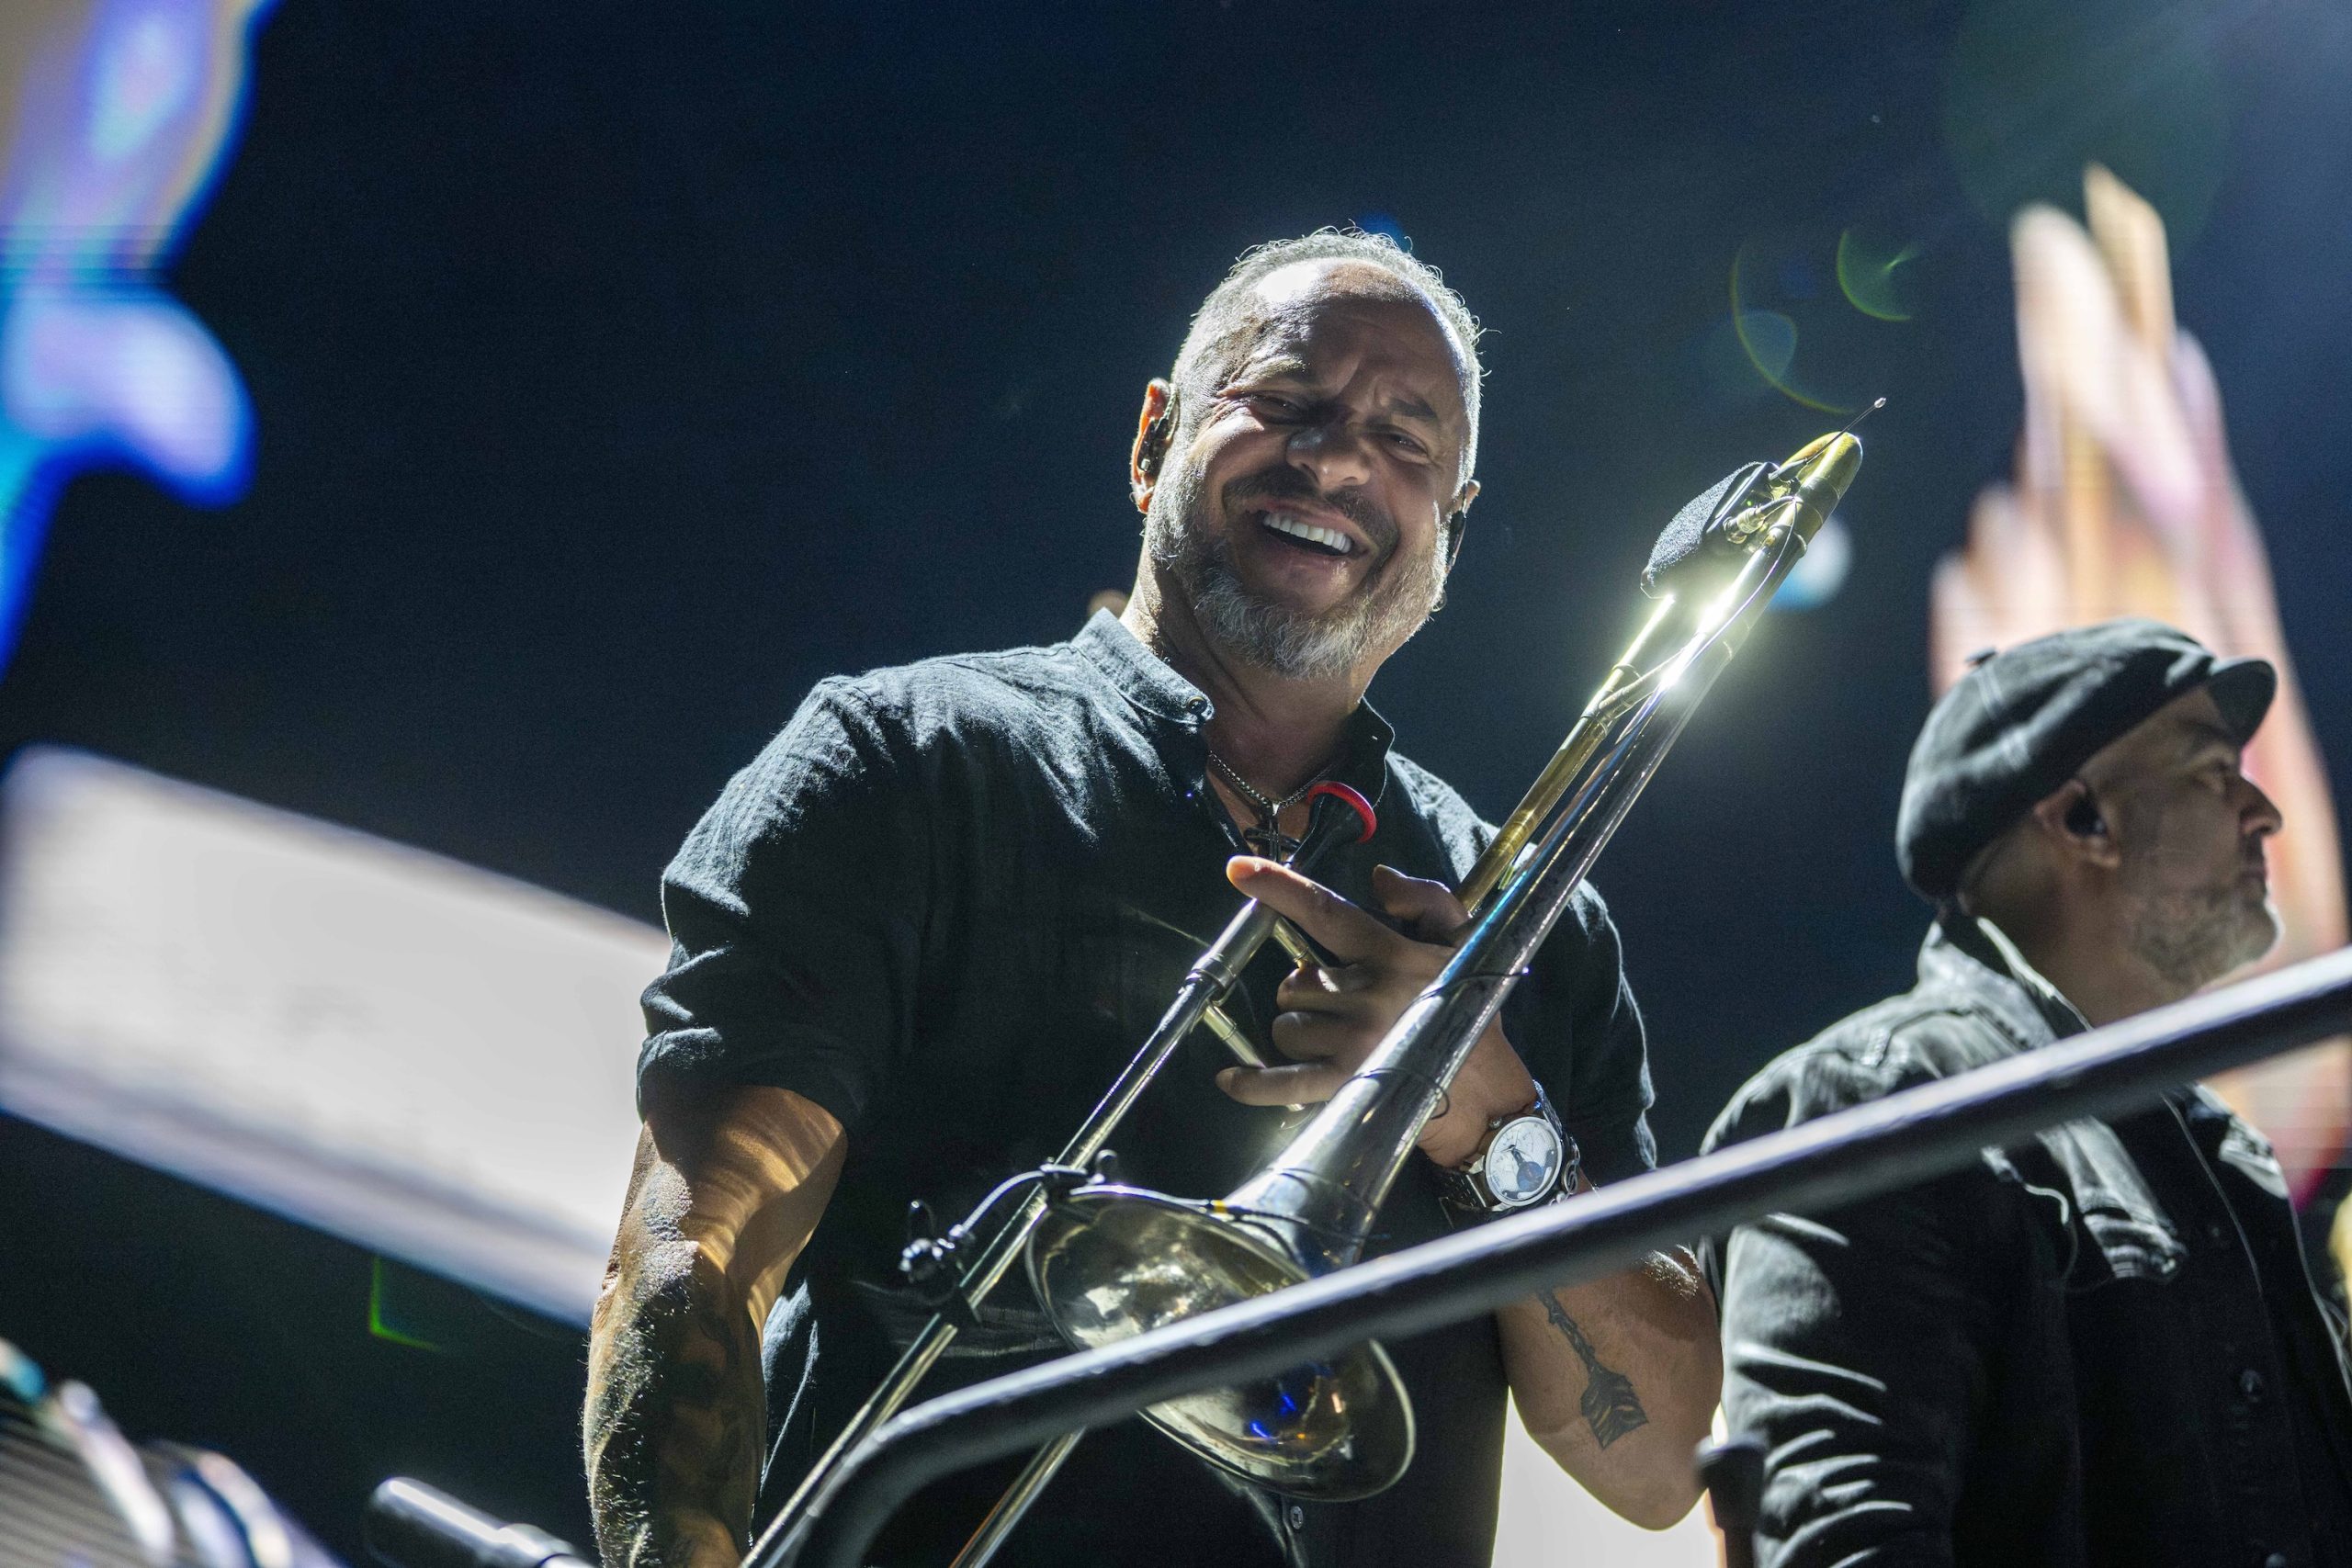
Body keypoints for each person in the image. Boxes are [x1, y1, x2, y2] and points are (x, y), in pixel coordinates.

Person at [582, 229, 1722, 1568]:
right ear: (1152, 440)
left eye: (1408, 438)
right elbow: (696, 1248)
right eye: (1286, 401)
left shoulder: (1535, 925)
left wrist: (1485, 1108)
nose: (1340, 457)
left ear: (1452, 531)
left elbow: (1658, 1465)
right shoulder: (901, 763)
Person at [1702, 618, 2352, 1567]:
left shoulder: (2220, 1154)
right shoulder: (1881, 1099)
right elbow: (1844, 1546)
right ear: (2082, 819)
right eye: (2216, 772)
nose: (2264, 813)